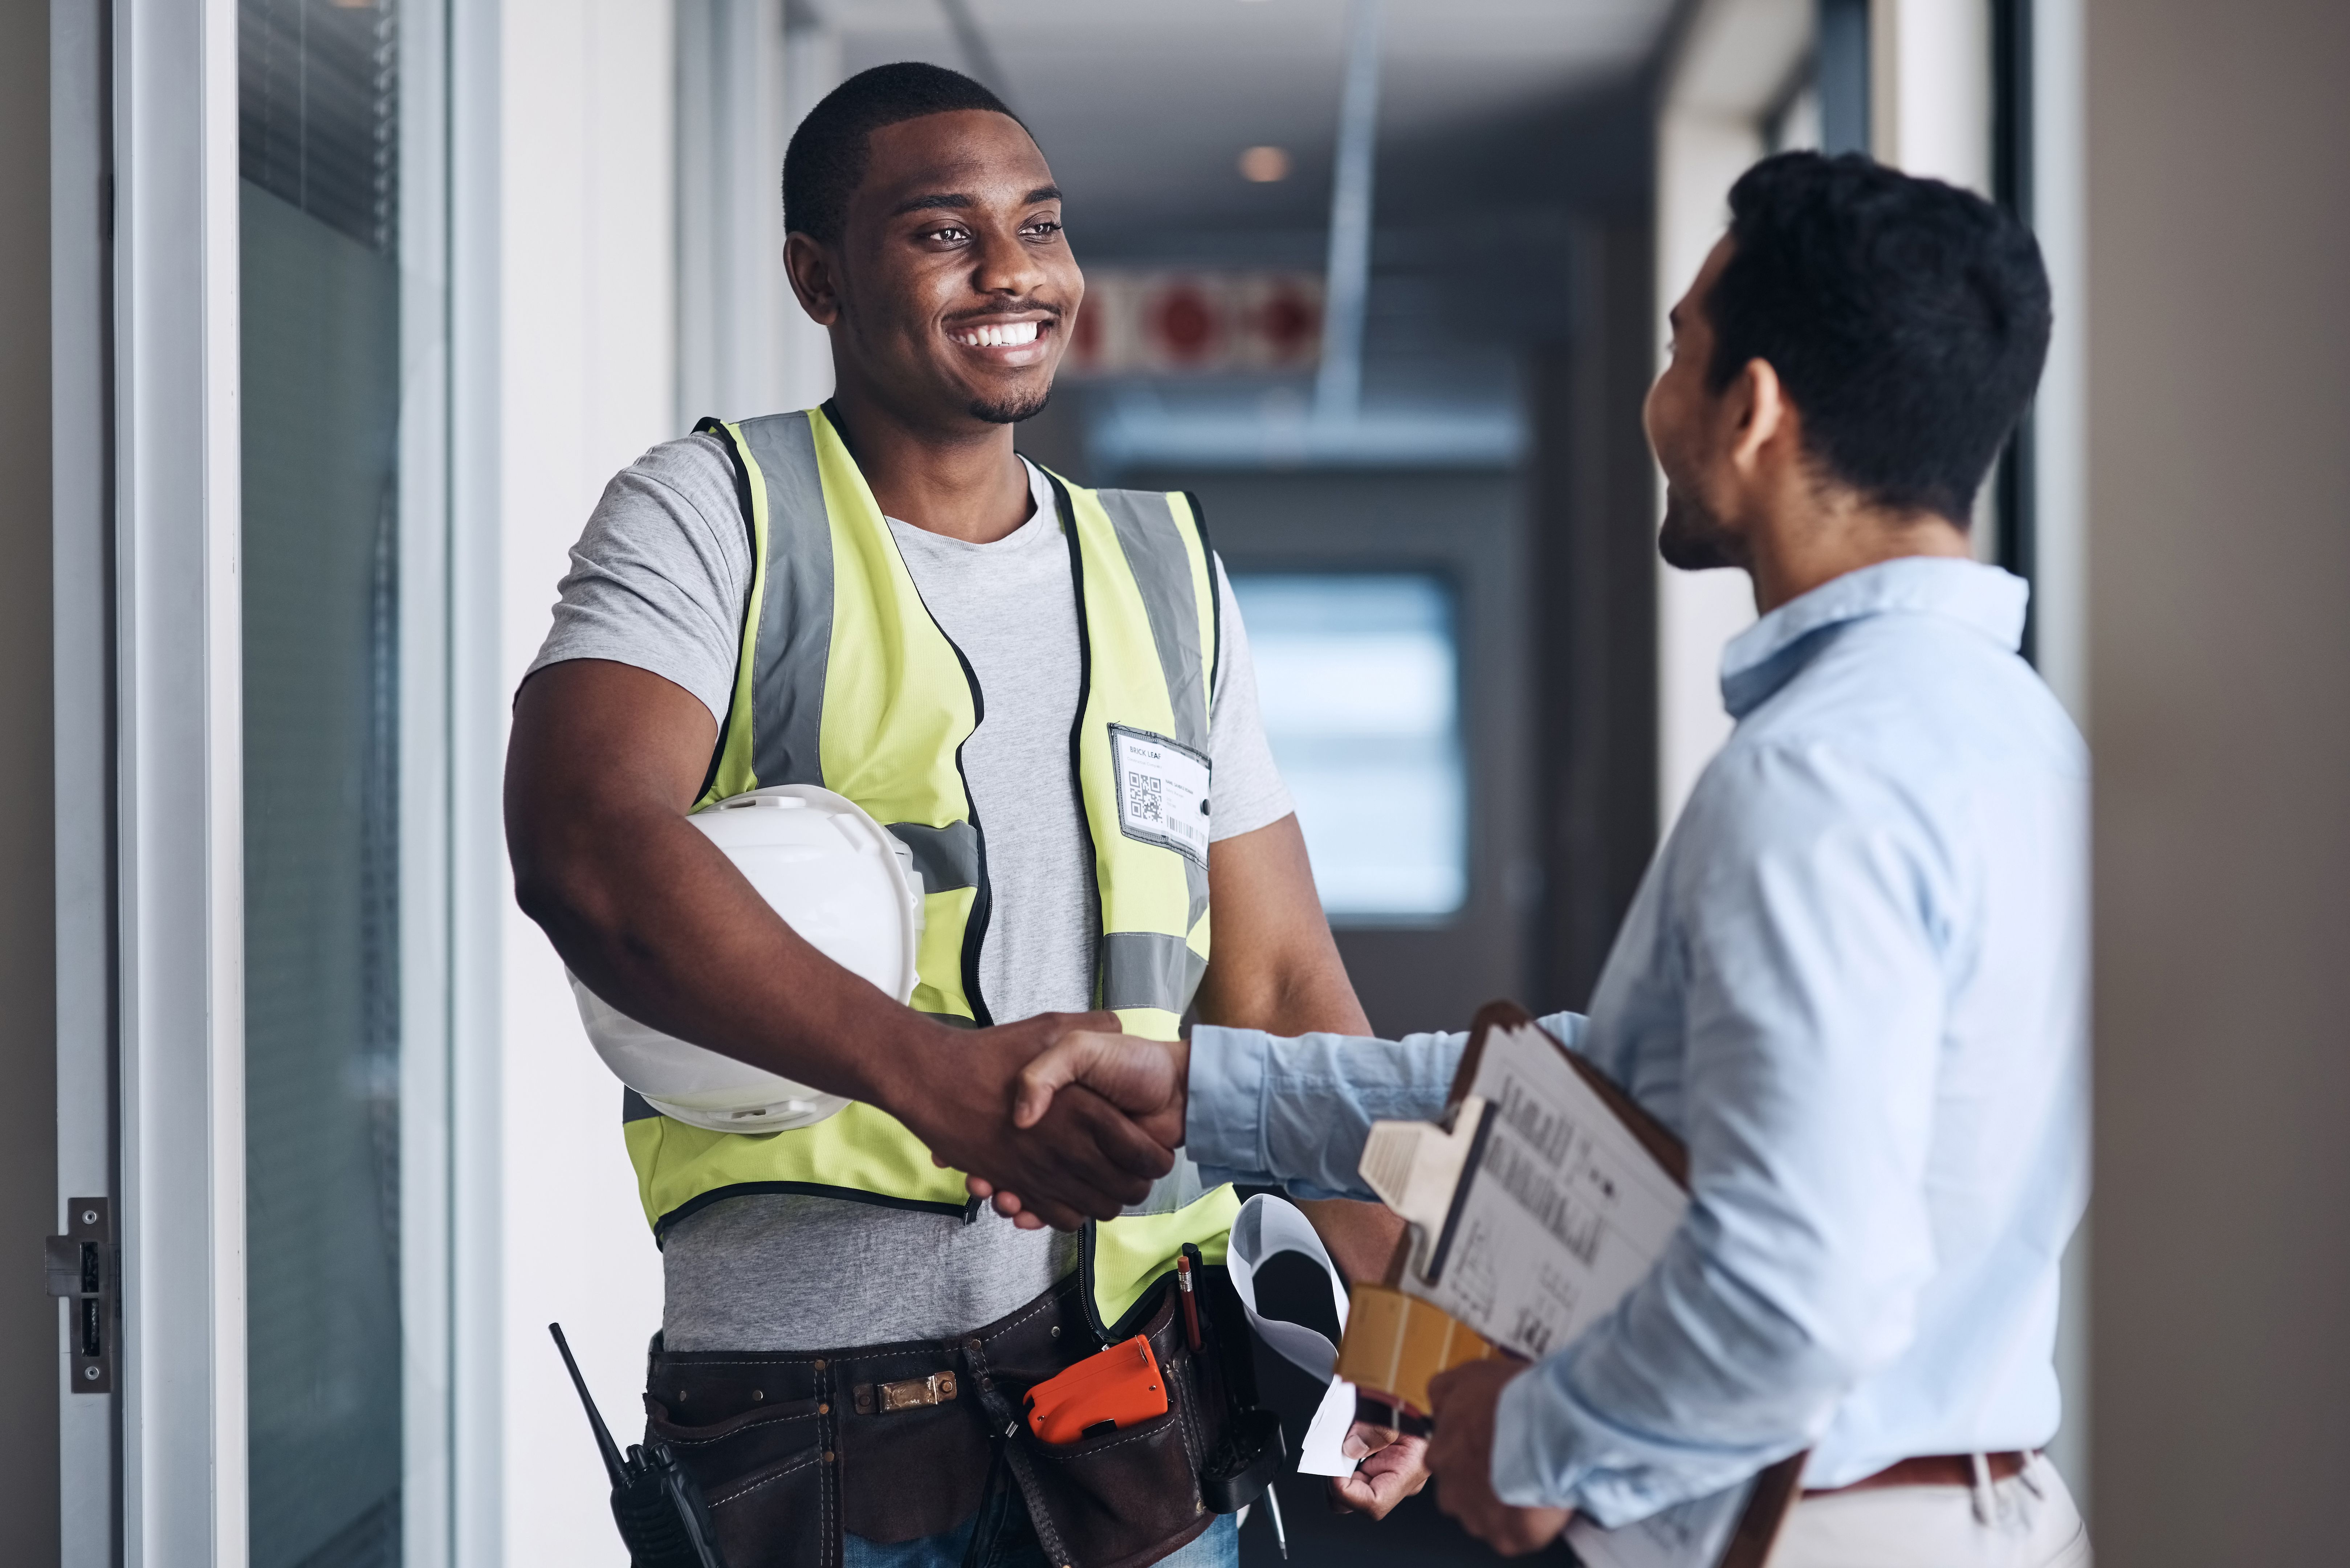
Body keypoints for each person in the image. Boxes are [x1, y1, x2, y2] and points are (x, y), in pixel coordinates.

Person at [978, 151, 2090, 1568]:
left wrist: (1537, 1433)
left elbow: (1799, 1289)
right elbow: (1620, 1092)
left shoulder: (1816, 775)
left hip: (1808, 1533)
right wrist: (1202, 1091)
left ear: (1748, 411)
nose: (1657, 400)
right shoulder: (2015, 740)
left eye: (1679, 348)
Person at [505, 61, 1422, 1568]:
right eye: (942, 233)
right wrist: (936, 1081)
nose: (1012, 272)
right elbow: (586, 844)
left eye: (1038, 226)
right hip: (819, 1437)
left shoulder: (1163, 566)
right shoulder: (713, 513)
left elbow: (1278, 983)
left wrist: (1399, 1321)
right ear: (819, 278)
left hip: (1144, 1415)